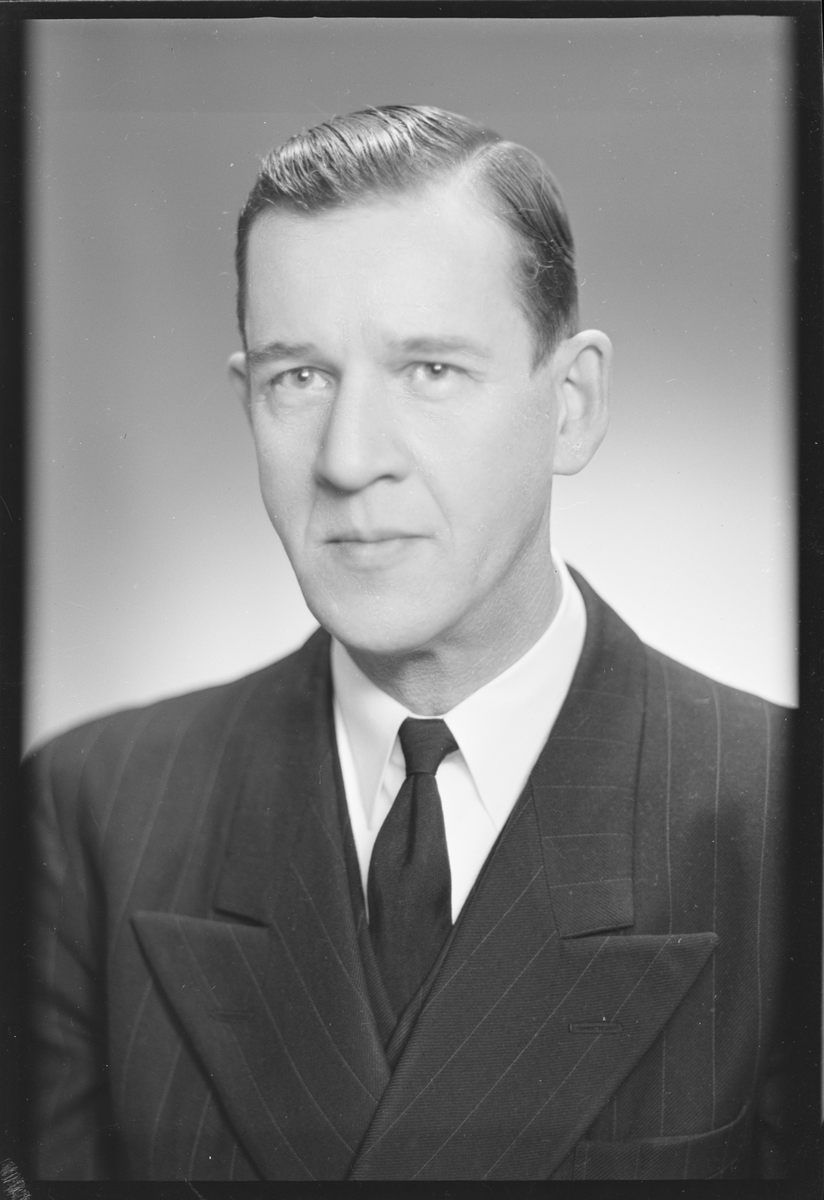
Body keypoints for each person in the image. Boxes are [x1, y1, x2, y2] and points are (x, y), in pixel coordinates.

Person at [26, 105, 790, 1181]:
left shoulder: (782, 818)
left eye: (429, 370)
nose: (348, 459)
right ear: (247, 403)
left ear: (570, 406)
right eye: (299, 377)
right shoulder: (92, 812)